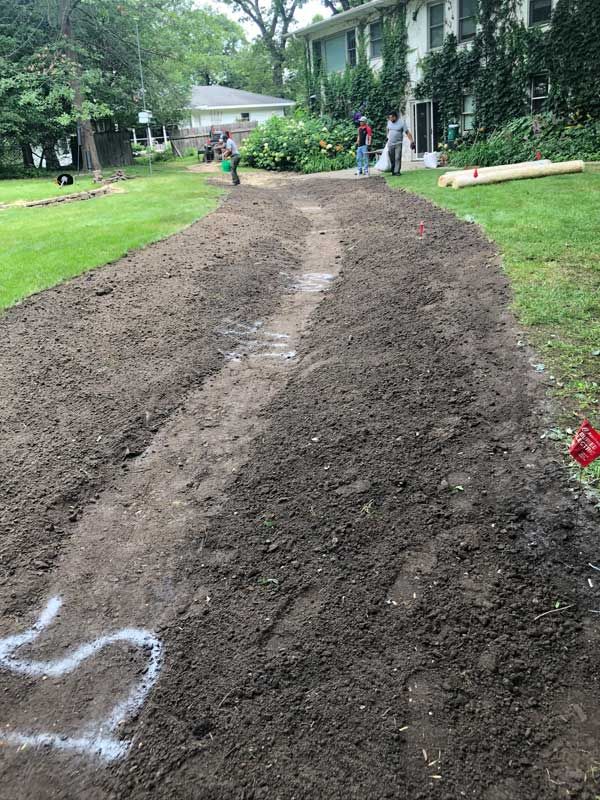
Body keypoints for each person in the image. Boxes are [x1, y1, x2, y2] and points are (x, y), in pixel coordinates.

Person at [387, 111, 416, 176]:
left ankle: (397, 171)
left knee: (397, 157)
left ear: (395, 117)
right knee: (391, 157)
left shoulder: (402, 123)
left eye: (392, 117)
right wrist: (387, 137)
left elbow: (407, 132)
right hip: (390, 143)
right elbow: (388, 130)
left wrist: (412, 141)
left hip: (398, 143)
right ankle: (393, 171)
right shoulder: (389, 122)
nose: (390, 119)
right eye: (389, 118)